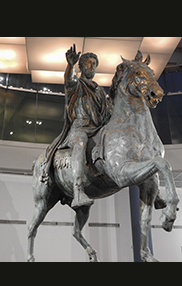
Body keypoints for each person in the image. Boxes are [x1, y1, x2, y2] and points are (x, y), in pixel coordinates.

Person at [42, 44, 112, 208]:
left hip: (97, 129)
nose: (92, 67)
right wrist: (70, 65)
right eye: (88, 63)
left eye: (94, 64)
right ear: (81, 67)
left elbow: (107, 113)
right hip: (79, 129)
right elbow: (69, 79)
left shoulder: (100, 91)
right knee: (80, 143)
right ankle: (78, 190)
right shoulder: (77, 85)